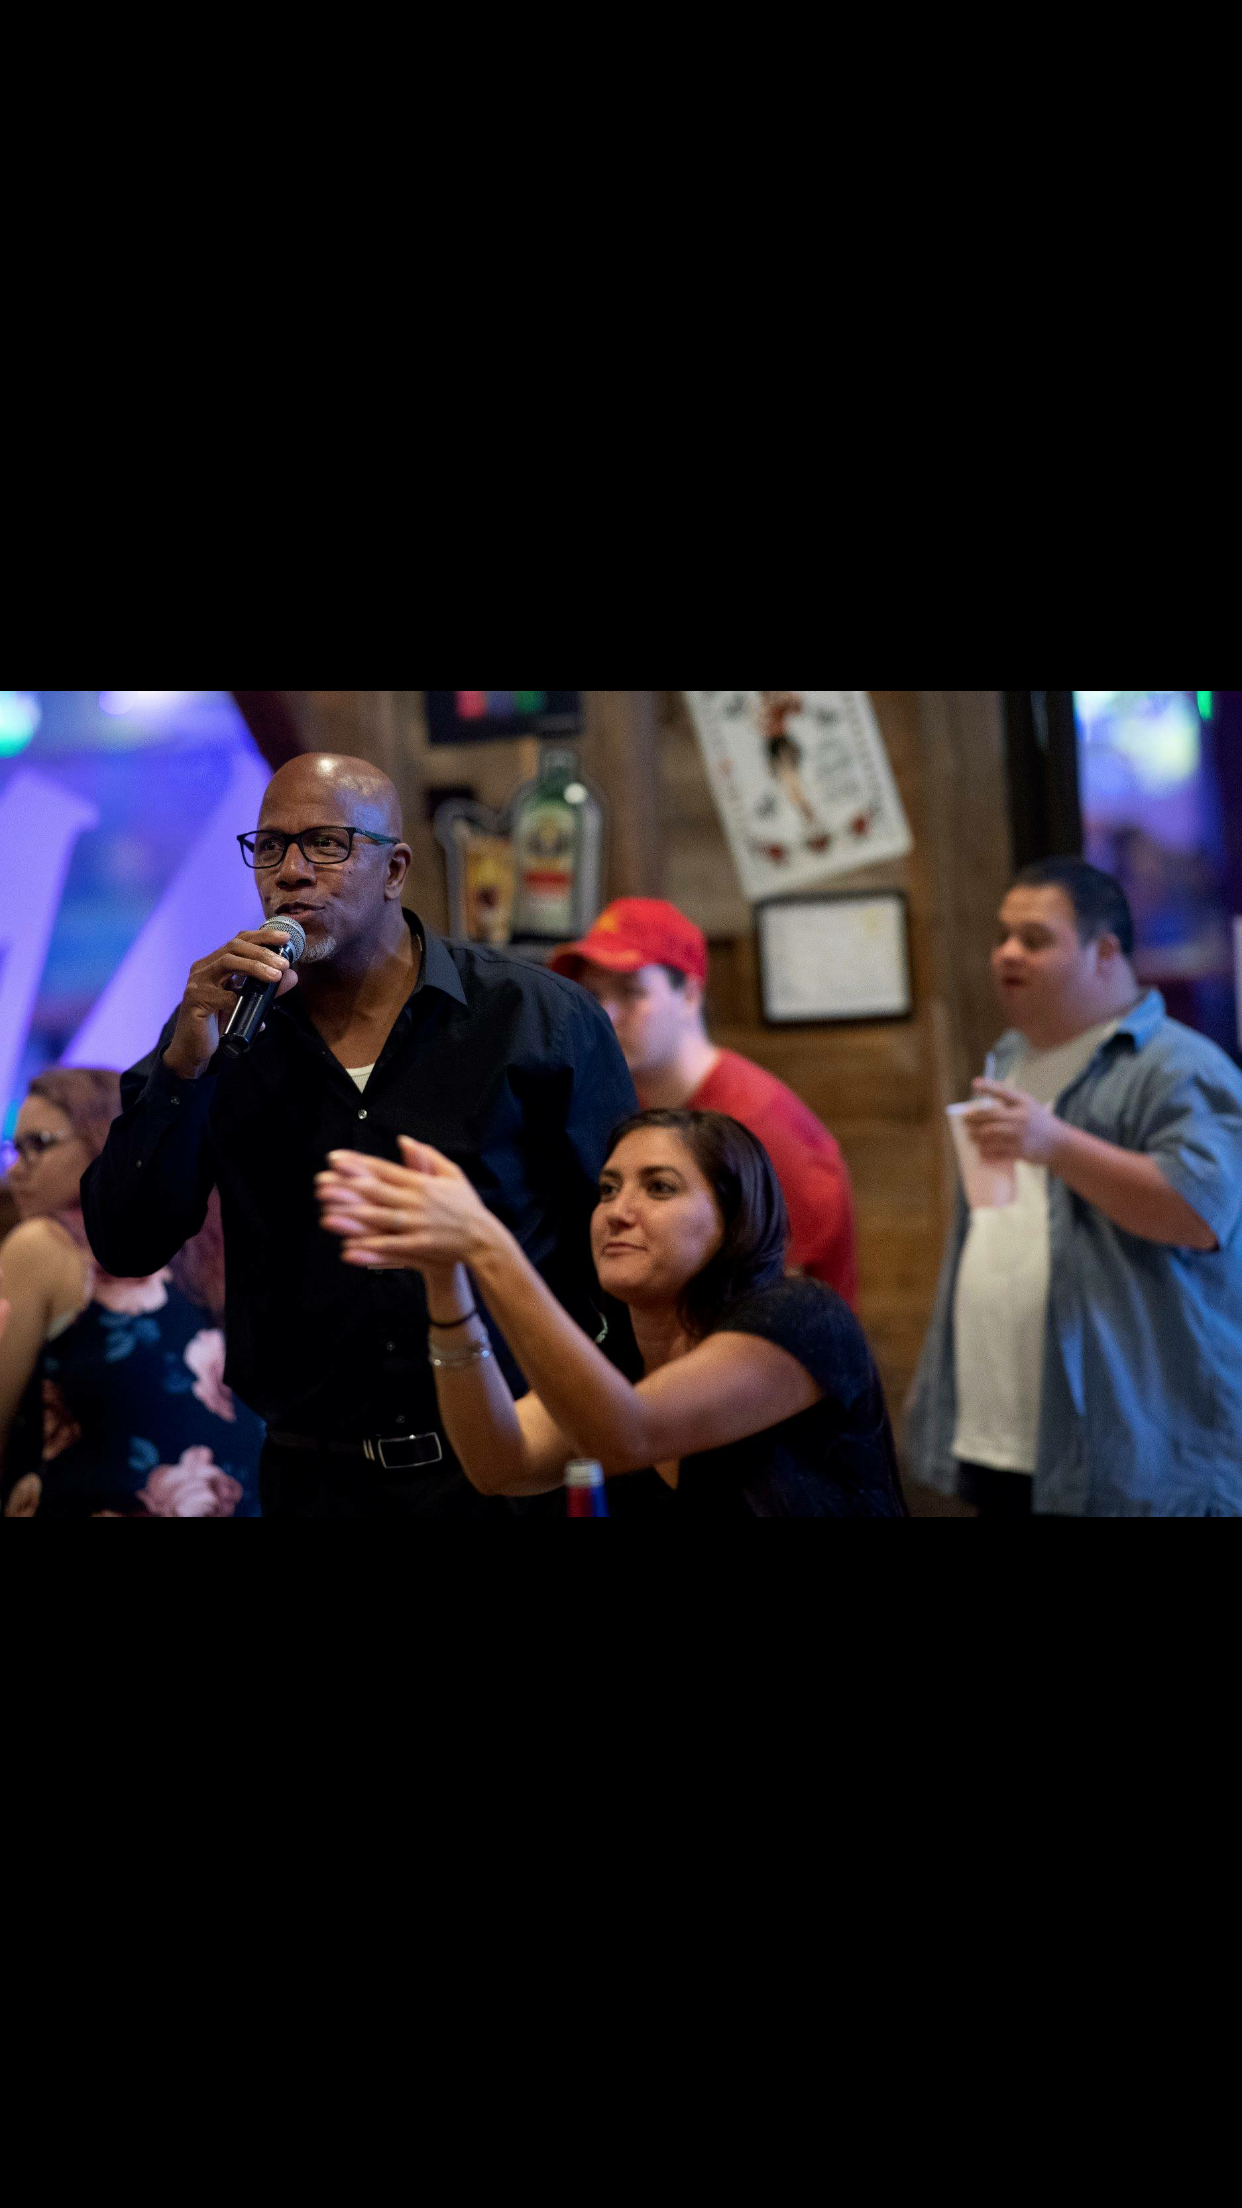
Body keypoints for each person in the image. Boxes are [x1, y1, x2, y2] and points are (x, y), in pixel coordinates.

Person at [80, 753, 637, 1519]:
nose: (293, 871)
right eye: (270, 847)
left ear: (395, 868)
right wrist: (182, 1071)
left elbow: (615, 1254)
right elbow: (126, 1240)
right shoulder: (218, 1036)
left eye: (327, 844)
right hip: (316, 1480)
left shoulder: (533, 1019)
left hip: (514, 1472)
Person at [314, 1107, 907, 1518]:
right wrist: (447, 1280)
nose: (618, 1212)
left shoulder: (802, 1319)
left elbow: (628, 1433)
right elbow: (499, 1463)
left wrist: (488, 1245)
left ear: (733, 1219)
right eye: (607, 1189)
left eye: (660, 1188)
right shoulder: (617, 1361)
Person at [906, 857, 1242, 1518]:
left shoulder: (1176, 1067)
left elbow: (1201, 1214)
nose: (1006, 953)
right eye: (1002, 936)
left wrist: (1054, 1144)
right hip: (1003, 1439)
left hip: (1131, 1458)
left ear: (1105, 952)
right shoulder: (1009, 1056)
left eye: (1034, 940)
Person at [549, 898, 858, 1304]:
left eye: (631, 993)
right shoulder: (621, 1102)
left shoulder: (764, 1124)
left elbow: (784, 1315)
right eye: (593, 994)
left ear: (690, 995)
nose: (605, 1014)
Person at [0, 1069, 263, 1518]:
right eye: (14, 1149)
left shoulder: (43, 1244)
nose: (16, 1170)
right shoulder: (208, 1246)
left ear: (104, 1138)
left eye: (39, 1144)